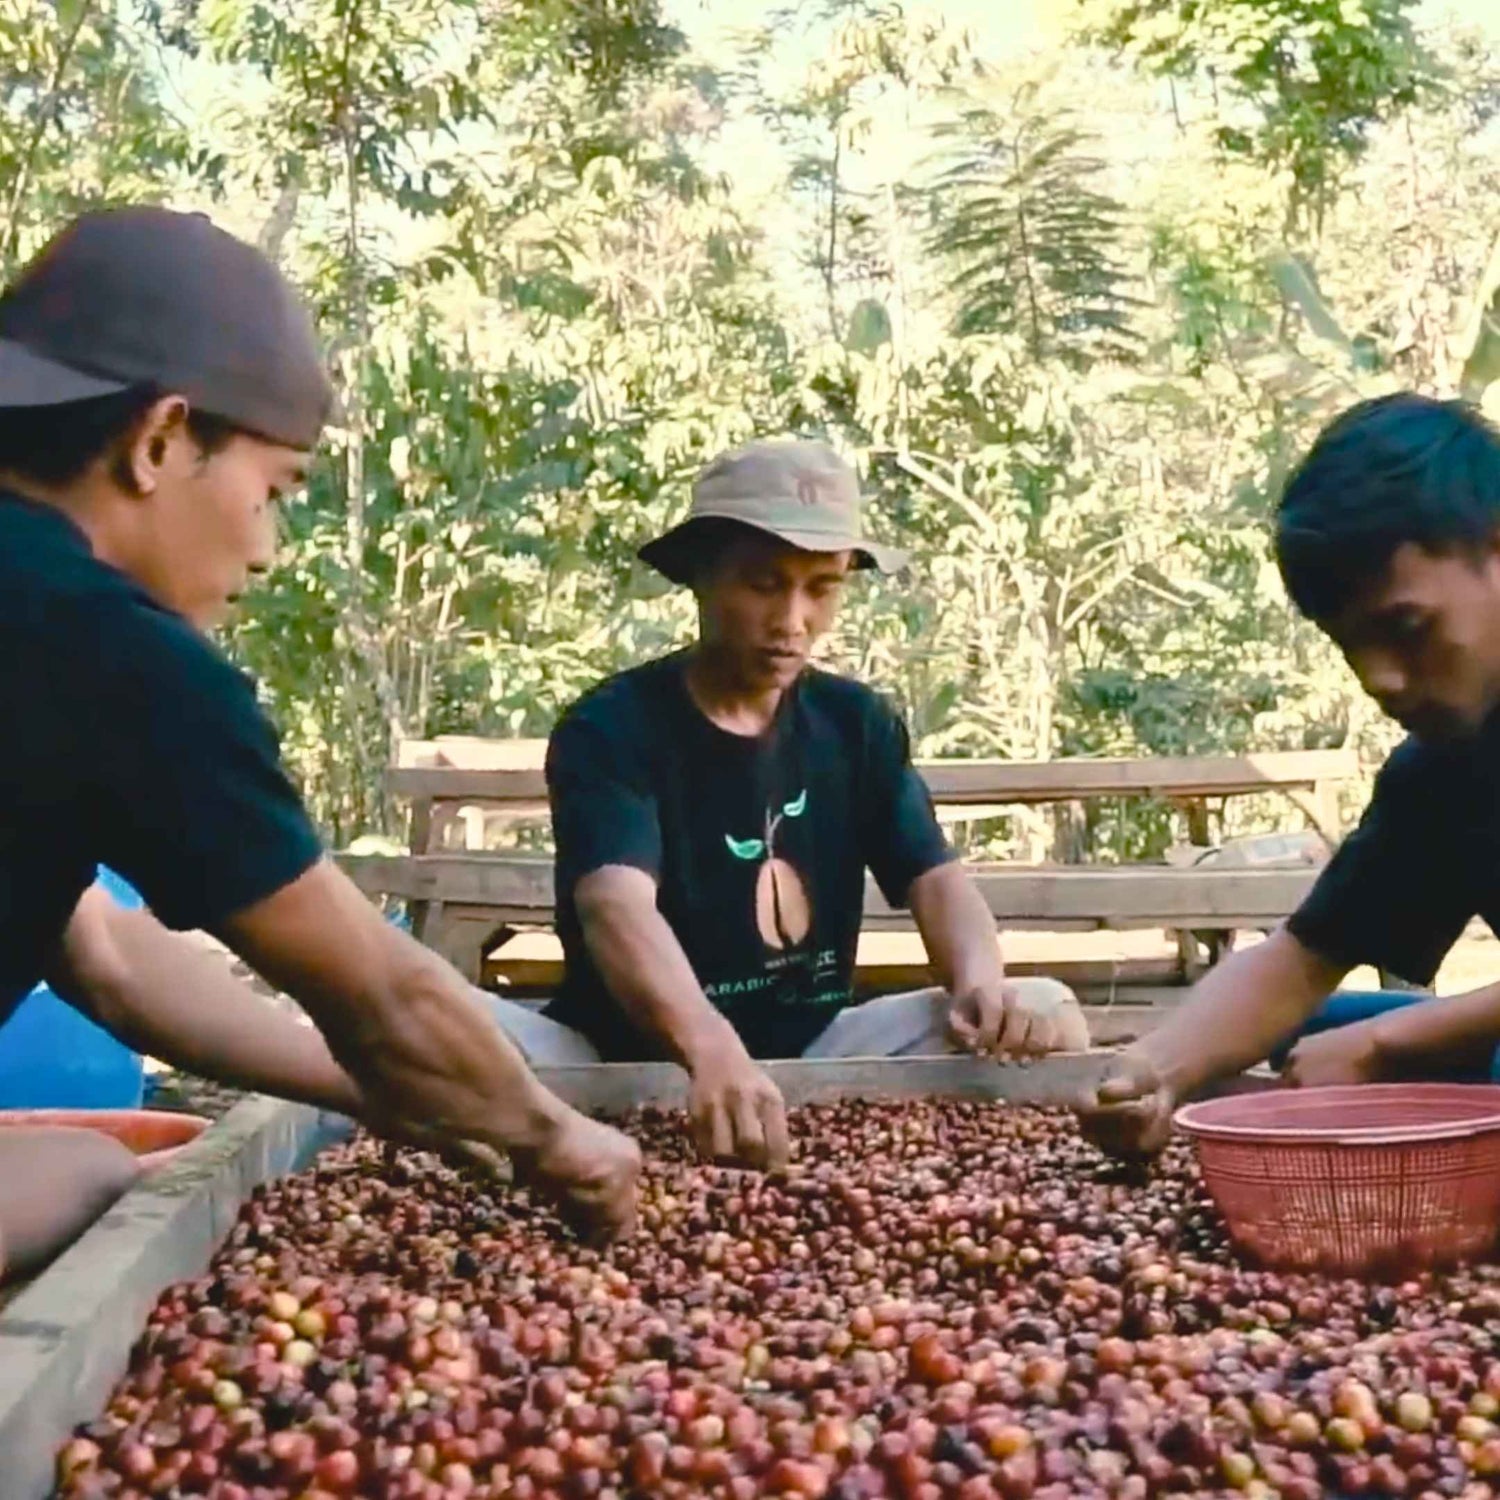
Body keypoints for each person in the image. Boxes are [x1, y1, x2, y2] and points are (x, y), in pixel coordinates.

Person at [0, 207, 639, 1281]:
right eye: (273, 492)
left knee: (81, 1163)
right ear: (159, 442)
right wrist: (554, 1137)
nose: (266, 548)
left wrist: (376, 1093)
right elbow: (382, 995)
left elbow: (105, 960)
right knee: (87, 1177)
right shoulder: (107, 644)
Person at [486, 439, 1090, 1171]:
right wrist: (711, 1049)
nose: (793, 618)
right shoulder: (613, 728)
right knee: (436, 1029)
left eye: (821, 588)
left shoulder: (854, 724)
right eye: (763, 584)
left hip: (815, 1051)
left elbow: (935, 879)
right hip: (614, 1062)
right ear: (701, 575)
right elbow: (615, 907)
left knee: (1046, 1010)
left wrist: (981, 986)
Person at [1077, 393, 1500, 1158]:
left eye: (1406, 628)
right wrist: (1155, 1070)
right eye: (1348, 645)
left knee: (1365, 1038)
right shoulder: (1444, 767)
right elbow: (1302, 961)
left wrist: (1388, 1046)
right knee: (1304, 1029)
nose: (1378, 679)